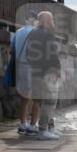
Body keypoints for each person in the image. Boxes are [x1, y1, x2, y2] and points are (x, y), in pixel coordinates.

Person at [23, 11, 61, 140]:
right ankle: (43, 129)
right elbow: (52, 53)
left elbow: (28, 52)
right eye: (51, 19)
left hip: (35, 71)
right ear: (46, 21)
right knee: (49, 101)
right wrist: (56, 68)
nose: (53, 22)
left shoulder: (32, 33)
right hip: (47, 72)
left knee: (39, 100)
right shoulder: (48, 34)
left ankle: (49, 127)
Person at [13, 11, 40, 136]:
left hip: (20, 66)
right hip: (33, 67)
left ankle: (23, 123)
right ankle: (33, 125)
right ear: (35, 20)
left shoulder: (18, 32)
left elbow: (11, 50)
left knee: (24, 97)